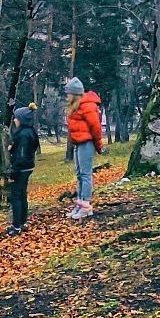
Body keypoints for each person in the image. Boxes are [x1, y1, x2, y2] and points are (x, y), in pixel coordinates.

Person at [64, 77, 104, 220]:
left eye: (68, 93)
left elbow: (96, 127)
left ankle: (86, 206)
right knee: (80, 174)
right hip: (78, 143)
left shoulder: (87, 105)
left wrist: (99, 145)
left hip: (86, 143)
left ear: (75, 93)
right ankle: (80, 204)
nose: (67, 96)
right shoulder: (76, 106)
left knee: (86, 174)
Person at [6, 104, 40, 237]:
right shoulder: (30, 131)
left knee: (16, 196)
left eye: (16, 118)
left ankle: (16, 226)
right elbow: (25, 151)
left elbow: (21, 156)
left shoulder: (23, 135)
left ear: (22, 119)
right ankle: (22, 222)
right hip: (28, 166)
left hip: (21, 169)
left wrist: (13, 173)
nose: (14, 120)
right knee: (22, 194)